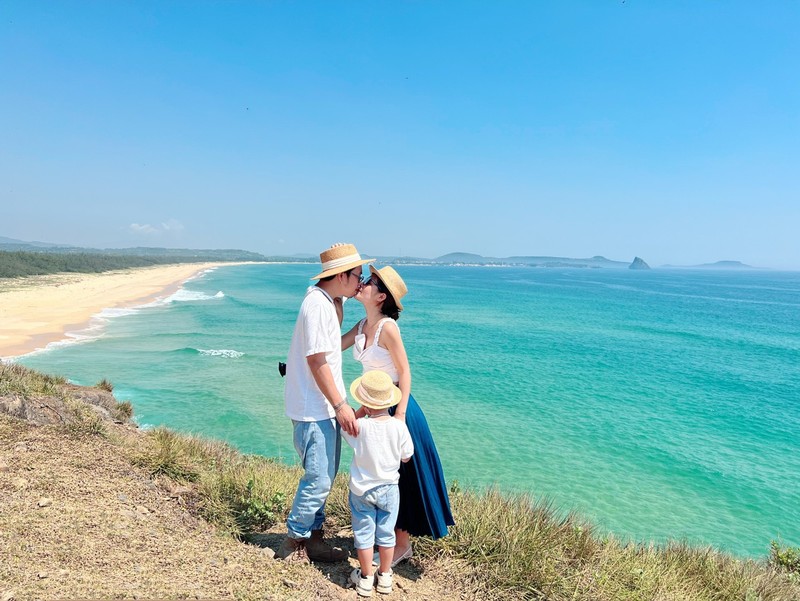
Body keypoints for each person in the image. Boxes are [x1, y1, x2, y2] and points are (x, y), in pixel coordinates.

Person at [343, 265, 455, 567]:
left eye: (369, 282)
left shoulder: (387, 327)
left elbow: (404, 371)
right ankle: (390, 540)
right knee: (385, 473)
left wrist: (400, 416)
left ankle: (401, 546)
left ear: (380, 296)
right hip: (374, 402)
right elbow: (332, 346)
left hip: (396, 405)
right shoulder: (362, 324)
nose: (362, 283)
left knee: (402, 477)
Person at [277, 242, 373, 563]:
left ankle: (314, 538)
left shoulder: (330, 302)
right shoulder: (316, 306)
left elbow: (330, 348)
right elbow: (318, 361)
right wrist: (340, 405)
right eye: (357, 274)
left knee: (325, 476)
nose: (361, 281)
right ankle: (293, 543)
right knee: (317, 478)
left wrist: (356, 327)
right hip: (313, 407)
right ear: (340, 275)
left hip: (320, 405)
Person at [343, 370, 414, 597]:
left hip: (362, 490)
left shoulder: (360, 426)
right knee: (386, 534)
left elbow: (346, 425)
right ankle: (384, 576)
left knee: (363, 534)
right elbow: (407, 456)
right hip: (389, 489)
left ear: (366, 403)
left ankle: (365, 578)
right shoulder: (398, 426)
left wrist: (361, 411)